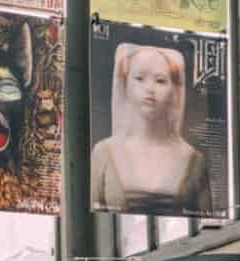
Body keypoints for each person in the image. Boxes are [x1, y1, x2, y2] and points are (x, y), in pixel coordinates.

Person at [89, 43, 211, 214]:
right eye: (139, 78)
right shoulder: (103, 153)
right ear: (125, 84)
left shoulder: (195, 161)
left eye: (160, 80)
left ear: (174, 90)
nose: (150, 89)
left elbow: (208, 227)